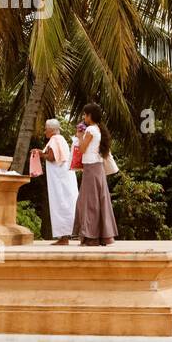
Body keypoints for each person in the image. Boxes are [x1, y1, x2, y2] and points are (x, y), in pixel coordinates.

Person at [72, 103, 118, 246]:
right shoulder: (98, 129)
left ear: (90, 116)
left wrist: (79, 136)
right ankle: (103, 236)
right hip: (97, 168)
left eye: (85, 114)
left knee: (88, 202)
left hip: (91, 168)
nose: (84, 117)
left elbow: (83, 149)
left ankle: (91, 237)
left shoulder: (91, 129)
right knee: (99, 200)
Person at [38, 119, 77, 245]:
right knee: (67, 204)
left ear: (52, 130)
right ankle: (66, 237)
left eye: (46, 129)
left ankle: (64, 238)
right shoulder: (61, 139)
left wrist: (40, 153)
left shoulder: (55, 139)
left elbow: (51, 157)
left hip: (59, 180)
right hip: (64, 178)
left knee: (60, 204)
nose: (44, 132)